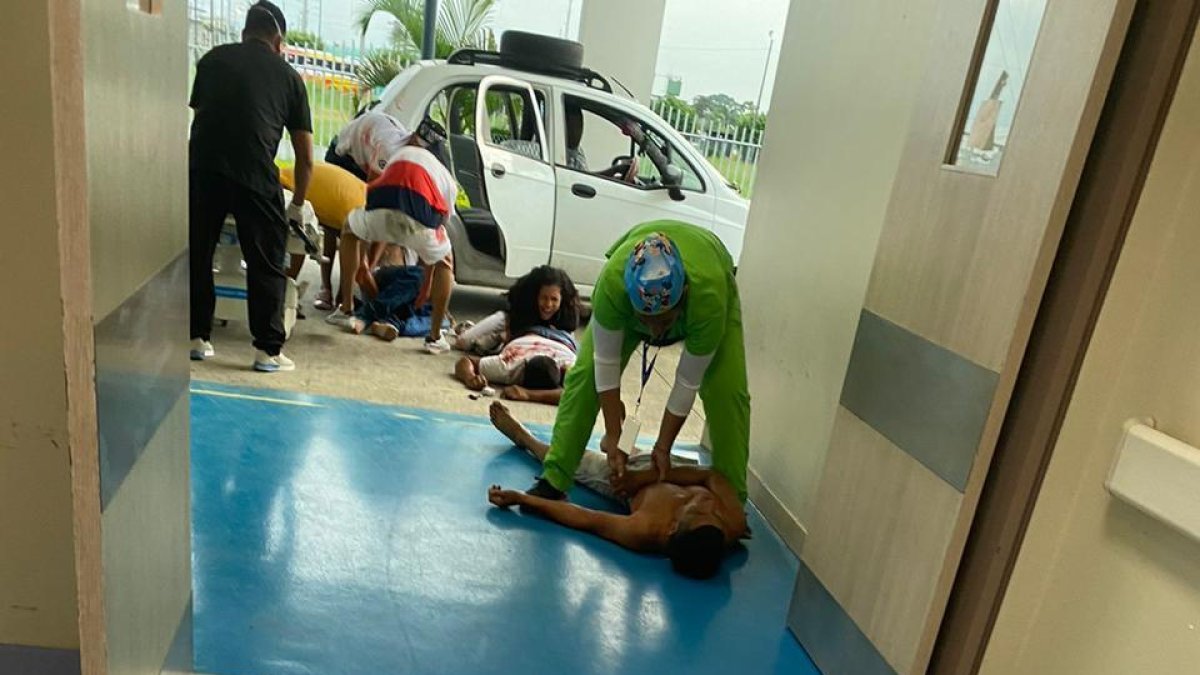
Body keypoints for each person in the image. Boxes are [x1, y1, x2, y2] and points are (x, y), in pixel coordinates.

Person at [526, 220, 751, 503]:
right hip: (632, 302)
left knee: (727, 392)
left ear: (684, 295)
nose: (654, 333)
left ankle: (732, 500)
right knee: (585, 375)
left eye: (663, 322)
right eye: (647, 321)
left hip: (709, 272)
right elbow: (605, 366)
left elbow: (687, 381)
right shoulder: (613, 285)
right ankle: (555, 477)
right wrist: (614, 434)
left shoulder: (708, 299)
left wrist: (663, 448)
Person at [188, 1, 313, 373]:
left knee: (198, 253)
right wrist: (296, 206)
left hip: (203, 169)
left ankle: (197, 338)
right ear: (278, 41)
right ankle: (267, 351)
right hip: (254, 175)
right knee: (267, 260)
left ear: (244, 33)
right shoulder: (289, 77)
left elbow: (202, 120)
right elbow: (306, 157)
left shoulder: (211, 61)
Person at [486, 402, 747, 579]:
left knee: (572, 461)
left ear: (672, 527)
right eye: (713, 513)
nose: (708, 503)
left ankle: (524, 437)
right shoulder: (731, 521)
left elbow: (587, 519)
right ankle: (616, 438)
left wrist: (522, 498)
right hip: (670, 464)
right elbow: (710, 475)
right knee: (630, 451)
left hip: (627, 480)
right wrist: (651, 474)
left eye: (698, 511)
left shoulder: (643, 529)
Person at [325, 116, 460, 355]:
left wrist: (365, 262)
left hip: (386, 199)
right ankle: (434, 337)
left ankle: (347, 308)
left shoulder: (398, 153)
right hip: (416, 214)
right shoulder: (447, 180)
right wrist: (427, 282)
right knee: (444, 264)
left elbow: (376, 198)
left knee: (349, 229)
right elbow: (438, 225)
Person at [454, 266, 581, 404]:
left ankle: (497, 338)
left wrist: (470, 378)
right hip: (527, 329)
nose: (548, 304)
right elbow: (576, 393)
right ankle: (494, 335)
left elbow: (465, 362)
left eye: (554, 299)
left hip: (556, 337)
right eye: (544, 298)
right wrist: (528, 395)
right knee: (464, 341)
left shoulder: (509, 365)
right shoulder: (511, 363)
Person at [279, 162, 367, 310]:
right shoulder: (361, 214)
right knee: (297, 239)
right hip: (288, 187)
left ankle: (283, 293)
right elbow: (359, 266)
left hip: (291, 181)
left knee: (300, 238)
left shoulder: (364, 195)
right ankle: (281, 295)